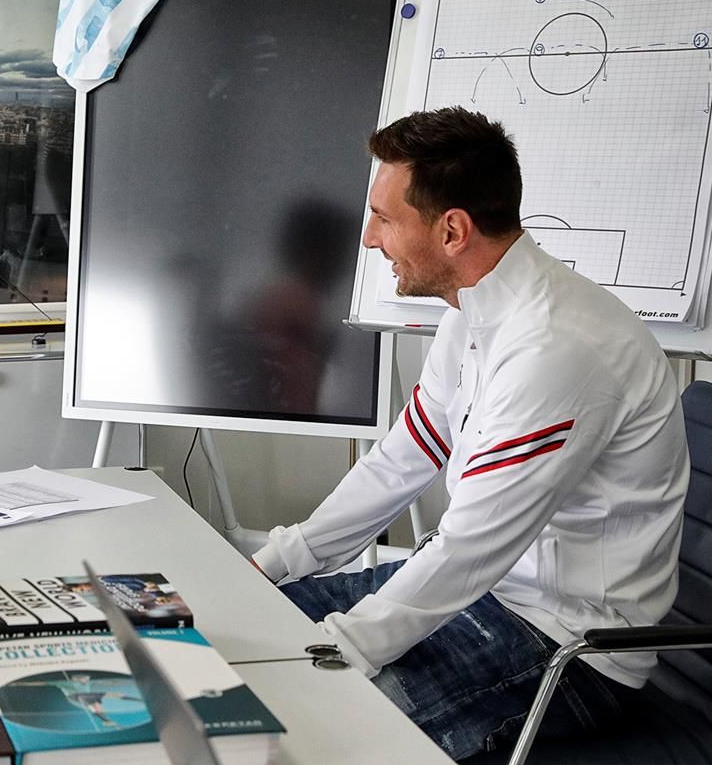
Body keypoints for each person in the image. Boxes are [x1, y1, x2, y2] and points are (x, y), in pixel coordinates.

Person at [250, 106, 688, 760]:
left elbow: (470, 549)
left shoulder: (555, 347)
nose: (369, 238)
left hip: (564, 645)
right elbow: (404, 458)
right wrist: (276, 564)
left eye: (386, 218)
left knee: (304, 727)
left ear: (452, 229)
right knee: (249, 626)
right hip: (487, 593)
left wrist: (334, 653)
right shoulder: (477, 309)